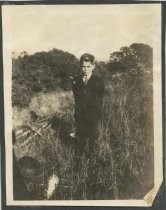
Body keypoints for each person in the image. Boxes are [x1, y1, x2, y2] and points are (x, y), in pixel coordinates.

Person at [71, 53, 104, 158]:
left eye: (88, 66)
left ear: (93, 66)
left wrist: (97, 114)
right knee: (81, 135)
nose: (85, 69)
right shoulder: (76, 80)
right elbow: (76, 98)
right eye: (83, 66)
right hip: (80, 113)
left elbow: (100, 100)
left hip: (93, 113)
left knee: (91, 136)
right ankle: (80, 155)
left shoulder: (98, 81)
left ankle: (91, 156)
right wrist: (77, 112)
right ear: (80, 66)